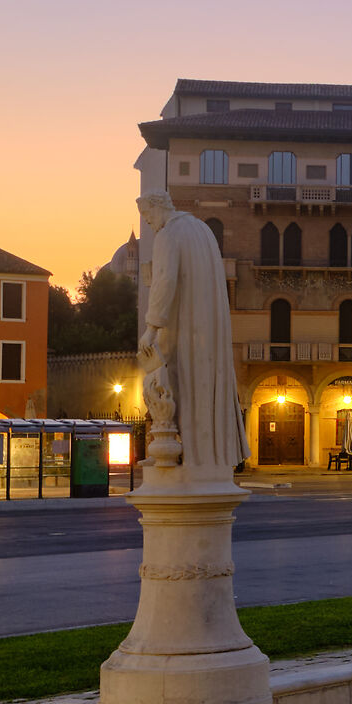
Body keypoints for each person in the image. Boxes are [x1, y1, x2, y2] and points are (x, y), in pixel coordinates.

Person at [138, 190, 248, 486]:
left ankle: (174, 451)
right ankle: (206, 454)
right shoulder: (202, 230)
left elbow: (164, 281)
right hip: (208, 330)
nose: (149, 224)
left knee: (172, 382)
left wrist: (151, 328)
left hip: (183, 326)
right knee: (199, 386)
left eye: (148, 216)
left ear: (159, 208)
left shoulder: (169, 234)